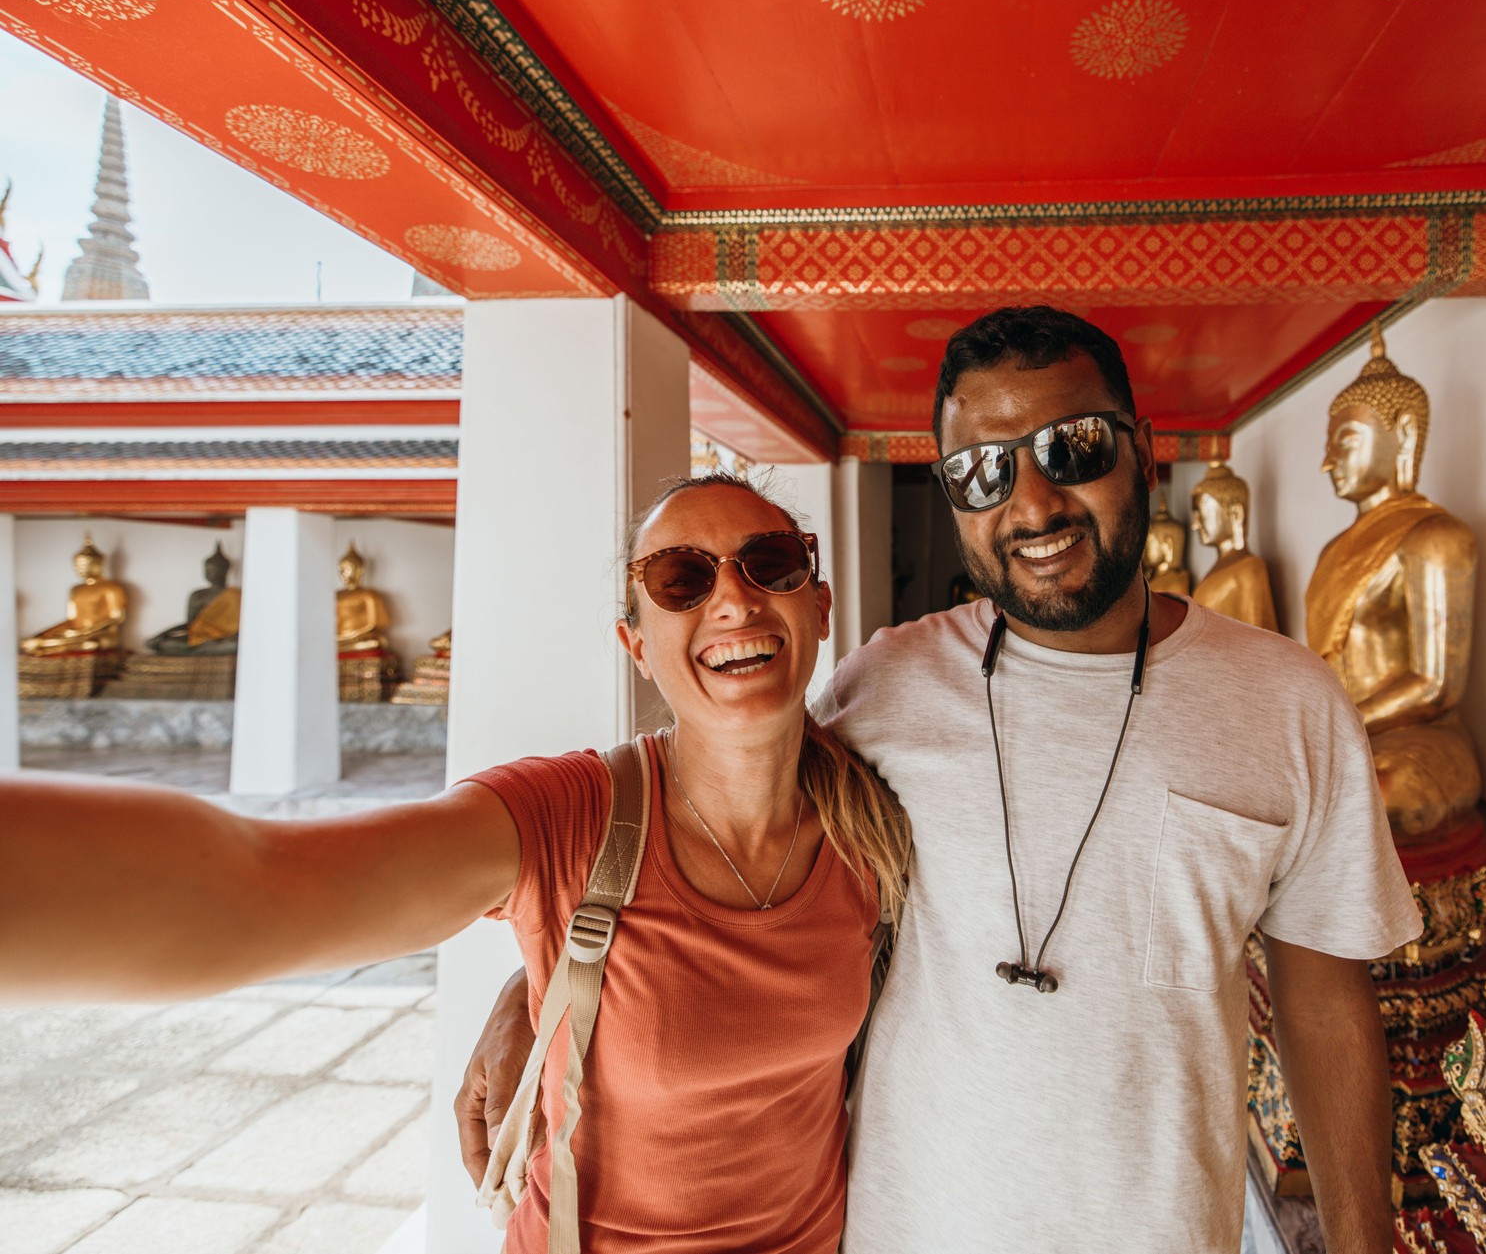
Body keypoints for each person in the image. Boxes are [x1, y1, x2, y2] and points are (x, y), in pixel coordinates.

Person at [467, 307, 1421, 1253]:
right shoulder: (888, 684)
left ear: (1145, 451)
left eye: (1075, 447)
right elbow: (718, 830)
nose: (1034, 501)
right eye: (983, 471)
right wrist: (538, 988)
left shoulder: (1288, 702)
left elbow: (1324, 997)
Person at [0, 475, 911, 1254]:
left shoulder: (878, 817)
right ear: (636, 644)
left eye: (772, 564)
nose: (735, 601)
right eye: (680, 579)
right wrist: (549, 971)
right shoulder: (567, 818)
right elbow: (257, 886)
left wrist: (535, 989)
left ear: (819, 602)